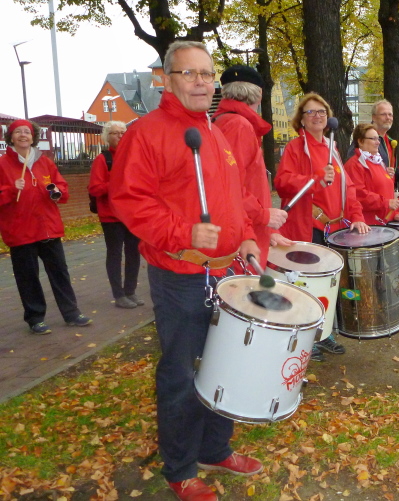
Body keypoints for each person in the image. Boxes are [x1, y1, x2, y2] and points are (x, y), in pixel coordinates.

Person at [109, 41, 263, 501]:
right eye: (189, 73)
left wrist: (246, 235)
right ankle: (179, 468)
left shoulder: (213, 132)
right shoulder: (147, 133)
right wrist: (183, 233)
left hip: (226, 272)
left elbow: (231, 197)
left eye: (207, 73)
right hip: (181, 277)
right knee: (182, 374)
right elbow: (130, 201)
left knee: (224, 366)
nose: (201, 82)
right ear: (167, 79)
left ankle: (215, 448)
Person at [275, 92, 369, 361]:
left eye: (322, 112)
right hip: (308, 226)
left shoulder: (332, 148)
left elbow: (347, 187)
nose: (317, 116)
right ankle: (306, 338)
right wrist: (314, 177)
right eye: (311, 112)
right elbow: (282, 183)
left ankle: (324, 332)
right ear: (302, 120)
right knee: (306, 284)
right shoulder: (295, 147)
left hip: (334, 229)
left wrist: (357, 215)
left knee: (327, 285)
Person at [0, 119, 92, 335]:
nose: (23, 135)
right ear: (10, 137)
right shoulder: (2, 164)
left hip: (48, 227)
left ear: (33, 137)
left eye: (27, 132)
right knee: (28, 277)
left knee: (60, 273)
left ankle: (71, 313)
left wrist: (57, 191)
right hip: (20, 230)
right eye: (18, 132)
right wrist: (11, 189)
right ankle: (35, 318)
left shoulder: (45, 162)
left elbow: (61, 187)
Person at [212, 64, 293, 269]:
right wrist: (263, 216)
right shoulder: (238, 125)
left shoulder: (226, 122)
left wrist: (269, 229)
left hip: (246, 229)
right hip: (242, 237)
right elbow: (229, 186)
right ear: (259, 94)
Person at [88, 121, 144, 309]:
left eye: (122, 132)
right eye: (115, 133)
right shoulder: (103, 160)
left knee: (134, 253)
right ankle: (119, 295)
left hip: (131, 214)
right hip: (111, 216)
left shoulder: (133, 157)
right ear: (107, 137)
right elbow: (95, 188)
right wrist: (116, 182)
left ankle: (130, 291)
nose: (120, 136)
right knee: (115, 254)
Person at [344, 123, 399, 224]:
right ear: (360, 141)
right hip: (366, 224)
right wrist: (386, 203)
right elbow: (359, 195)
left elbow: (386, 192)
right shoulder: (354, 164)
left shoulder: (378, 162)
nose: (378, 142)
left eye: (378, 139)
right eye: (373, 139)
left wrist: (394, 214)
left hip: (382, 223)